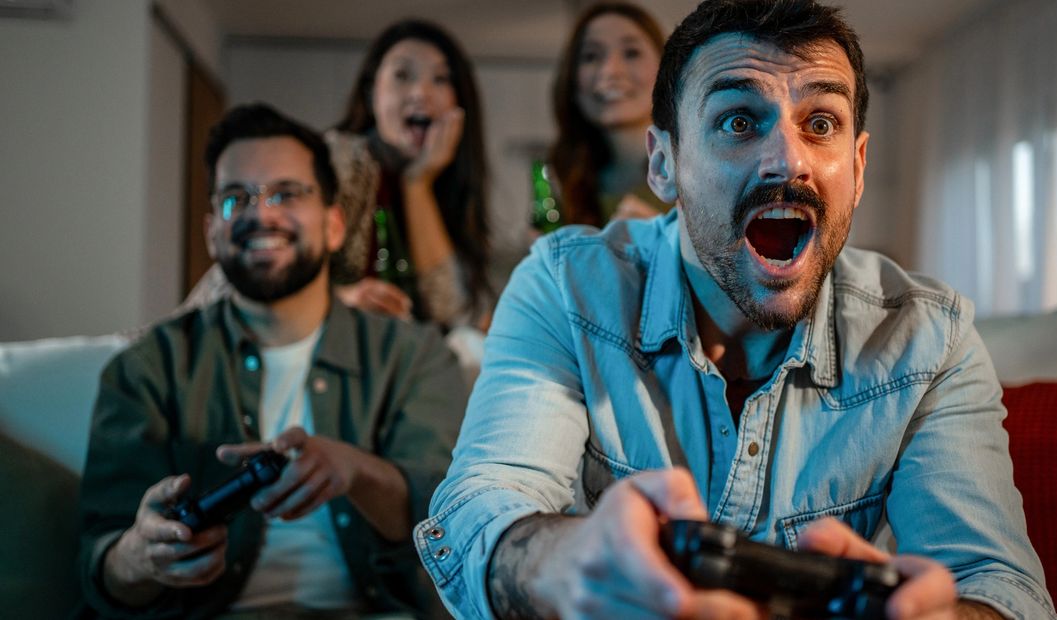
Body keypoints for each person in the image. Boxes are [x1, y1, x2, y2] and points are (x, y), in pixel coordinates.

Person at [416, 1, 1057, 619]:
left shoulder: (931, 339)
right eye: (738, 122)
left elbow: (1004, 589)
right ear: (664, 165)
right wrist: (565, 563)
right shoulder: (564, 286)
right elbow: (482, 508)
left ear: (858, 168)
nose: (790, 160)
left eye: (821, 123)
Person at [78, 103, 465, 619]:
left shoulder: (413, 357)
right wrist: (138, 557)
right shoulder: (146, 369)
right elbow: (100, 566)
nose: (261, 214)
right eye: (236, 198)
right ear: (212, 231)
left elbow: (448, 525)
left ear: (334, 225)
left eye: (286, 194)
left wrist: (354, 470)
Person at [186, 19, 492, 331]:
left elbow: (454, 315)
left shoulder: (445, 188)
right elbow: (246, 278)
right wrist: (340, 301)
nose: (420, 93)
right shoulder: (341, 160)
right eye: (402, 75)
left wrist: (418, 184)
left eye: (441, 79)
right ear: (371, 93)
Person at [548, 2, 670, 226]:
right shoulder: (562, 183)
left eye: (631, 53)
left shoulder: (698, 173)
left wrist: (665, 241)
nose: (610, 71)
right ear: (572, 79)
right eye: (591, 56)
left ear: (666, 68)